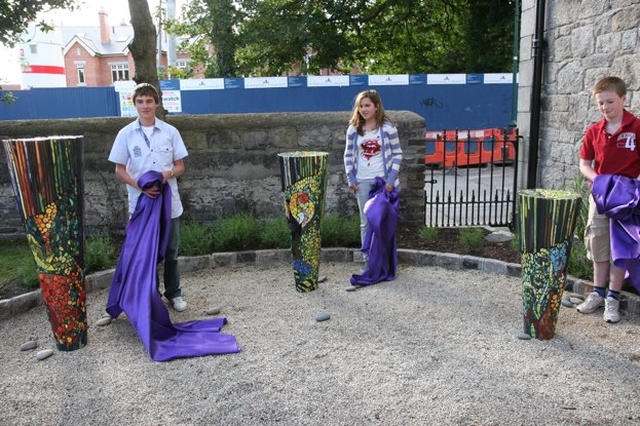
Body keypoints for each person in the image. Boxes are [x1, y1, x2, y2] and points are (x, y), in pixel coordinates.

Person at [108, 82, 189, 312]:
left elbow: (180, 166)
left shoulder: (170, 132)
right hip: (141, 203)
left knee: (171, 251)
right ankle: (149, 295)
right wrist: (140, 186)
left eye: (149, 101)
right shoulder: (125, 134)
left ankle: (174, 294)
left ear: (156, 103)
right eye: (140, 101)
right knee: (146, 252)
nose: (145, 106)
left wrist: (167, 174)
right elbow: (120, 170)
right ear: (134, 104)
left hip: (168, 202)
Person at [577, 76, 640, 323]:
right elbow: (584, 164)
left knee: (621, 248)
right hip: (601, 198)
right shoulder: (594, 131)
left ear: (624, 99)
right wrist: (600, 182)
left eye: (610, 101)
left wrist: (632, 188)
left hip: (628, 202)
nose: (605, 107)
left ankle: (613, 298)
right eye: (601, 103)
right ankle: (597, 293)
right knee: (599, 244)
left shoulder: (636, 128)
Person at [343, 89, 402, 288]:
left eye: (367, 105)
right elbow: (348, 156)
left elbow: (398, 154)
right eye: (361, 106)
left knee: (383, 223)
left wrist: (391, 180)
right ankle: (367, 263)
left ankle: (385, 263)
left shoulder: (387, 128)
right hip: (363, 181)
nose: (364, 109)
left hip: (383, 182)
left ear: (376, 106)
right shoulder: (353, 129)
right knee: (366, 223)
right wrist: (351, 177)